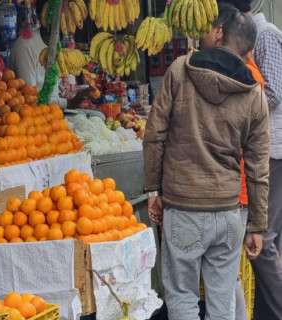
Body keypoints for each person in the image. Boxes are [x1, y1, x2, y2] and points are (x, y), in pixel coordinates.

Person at [143, 10, 269, 320]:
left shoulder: (179, 70)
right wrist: (256, 225)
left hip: (182, 207)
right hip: (227, 212)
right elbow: (257, 167)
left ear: (219, 34)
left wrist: (153, 189)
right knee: (222, 303)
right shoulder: (254, 95)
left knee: (182, 298)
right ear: (249, 52)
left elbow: (154, 132)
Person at [199, 3, 264, 319]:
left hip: (226, 195)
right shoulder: (250, 77)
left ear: (220, 32)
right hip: (234, 194)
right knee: (226, 277)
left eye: (208, 29)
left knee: (222, 280)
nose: (203, 36)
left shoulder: (219, 74)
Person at [227, 1, 282, 318]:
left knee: (263, 240)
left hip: (272, 151)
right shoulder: (257, 34)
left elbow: (273, 92)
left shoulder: (264, 34)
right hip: (266, 149)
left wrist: (236, 92)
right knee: (269, 240)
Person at [7, 0, 94, 109]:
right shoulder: (26, 47)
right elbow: (30, 97)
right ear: (41, 16)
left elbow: (52, 92)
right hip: (29, 115)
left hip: (49, 112)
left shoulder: (55, 45)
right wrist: (70, 103)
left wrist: (76, 99)